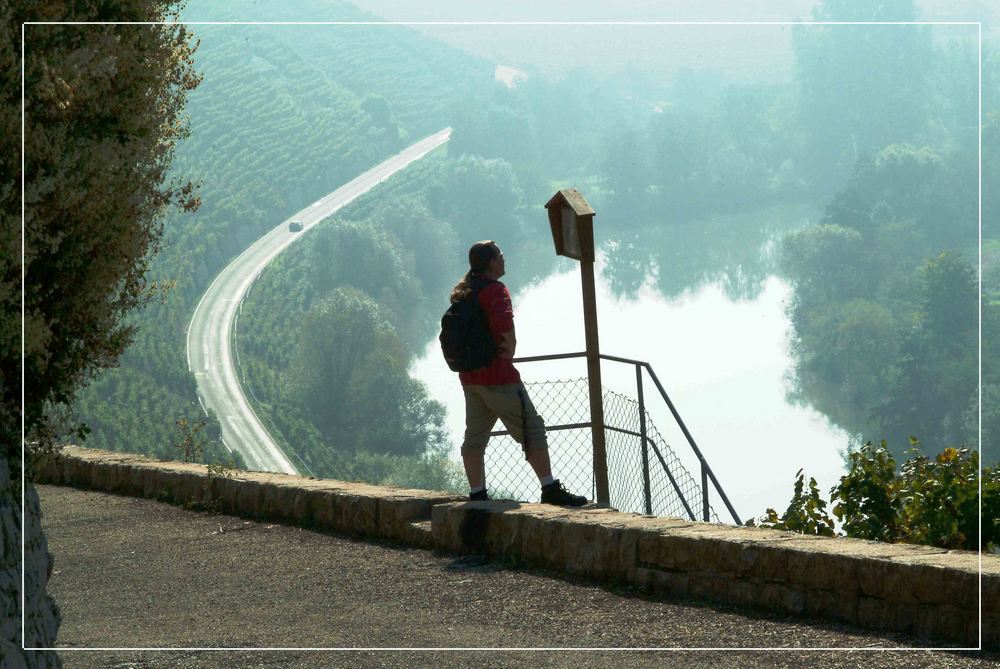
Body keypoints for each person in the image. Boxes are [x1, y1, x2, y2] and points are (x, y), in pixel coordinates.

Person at [451, 240, 588, 506]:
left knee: (475, 437)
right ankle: (549, 488)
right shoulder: (496, 290)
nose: (505, 259)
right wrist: (507, 353)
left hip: (470, 379)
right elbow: (506, 334)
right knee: (532, 429)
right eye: (501, 255)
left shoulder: (463, 292)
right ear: (491, 263)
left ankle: (477, 493)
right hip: (499, 378)